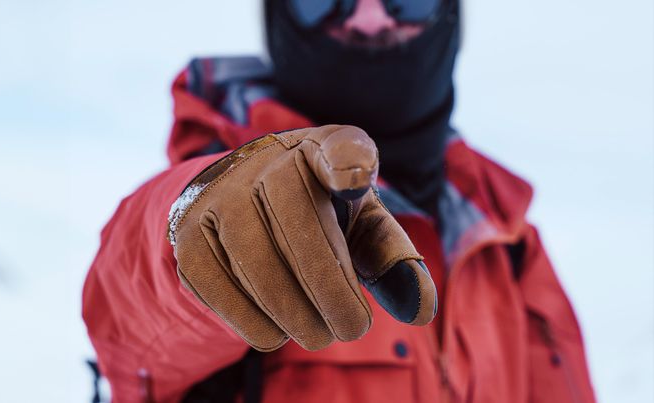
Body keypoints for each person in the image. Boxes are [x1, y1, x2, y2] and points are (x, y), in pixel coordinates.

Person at [81, 0, 599, 402]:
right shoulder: (224, 184)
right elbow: (129, 324)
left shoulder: (507, 241)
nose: (370, 20)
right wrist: (196, 229)